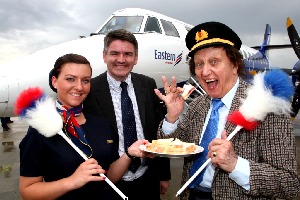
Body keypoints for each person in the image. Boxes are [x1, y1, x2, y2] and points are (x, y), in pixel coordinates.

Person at [154, 22, 300, 200]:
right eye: (199, 64)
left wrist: (235, 164)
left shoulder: (268, 108)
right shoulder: (198, 104)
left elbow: (290, 183)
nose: (205, 71)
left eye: (214, 61)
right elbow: (169, 145)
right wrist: (172, 117)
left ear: (235, 65)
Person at [19, 53, 150, 200]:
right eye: (70, 79)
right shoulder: (40, 130)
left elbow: (109, 177)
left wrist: (129, 154)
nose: (79, 87)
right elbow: (27, 192)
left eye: (86, 80)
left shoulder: (102, 124)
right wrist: (72, 181)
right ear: (54, 81)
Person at [83, 29, 171, 200]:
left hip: (147, 177)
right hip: (108, 183)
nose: (121, 60)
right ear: (104, 56)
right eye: (114, 53)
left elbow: (157, 132)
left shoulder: (147, 84)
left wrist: (163, 174)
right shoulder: (91, 90)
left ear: (135, 58)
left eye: (128, 54)